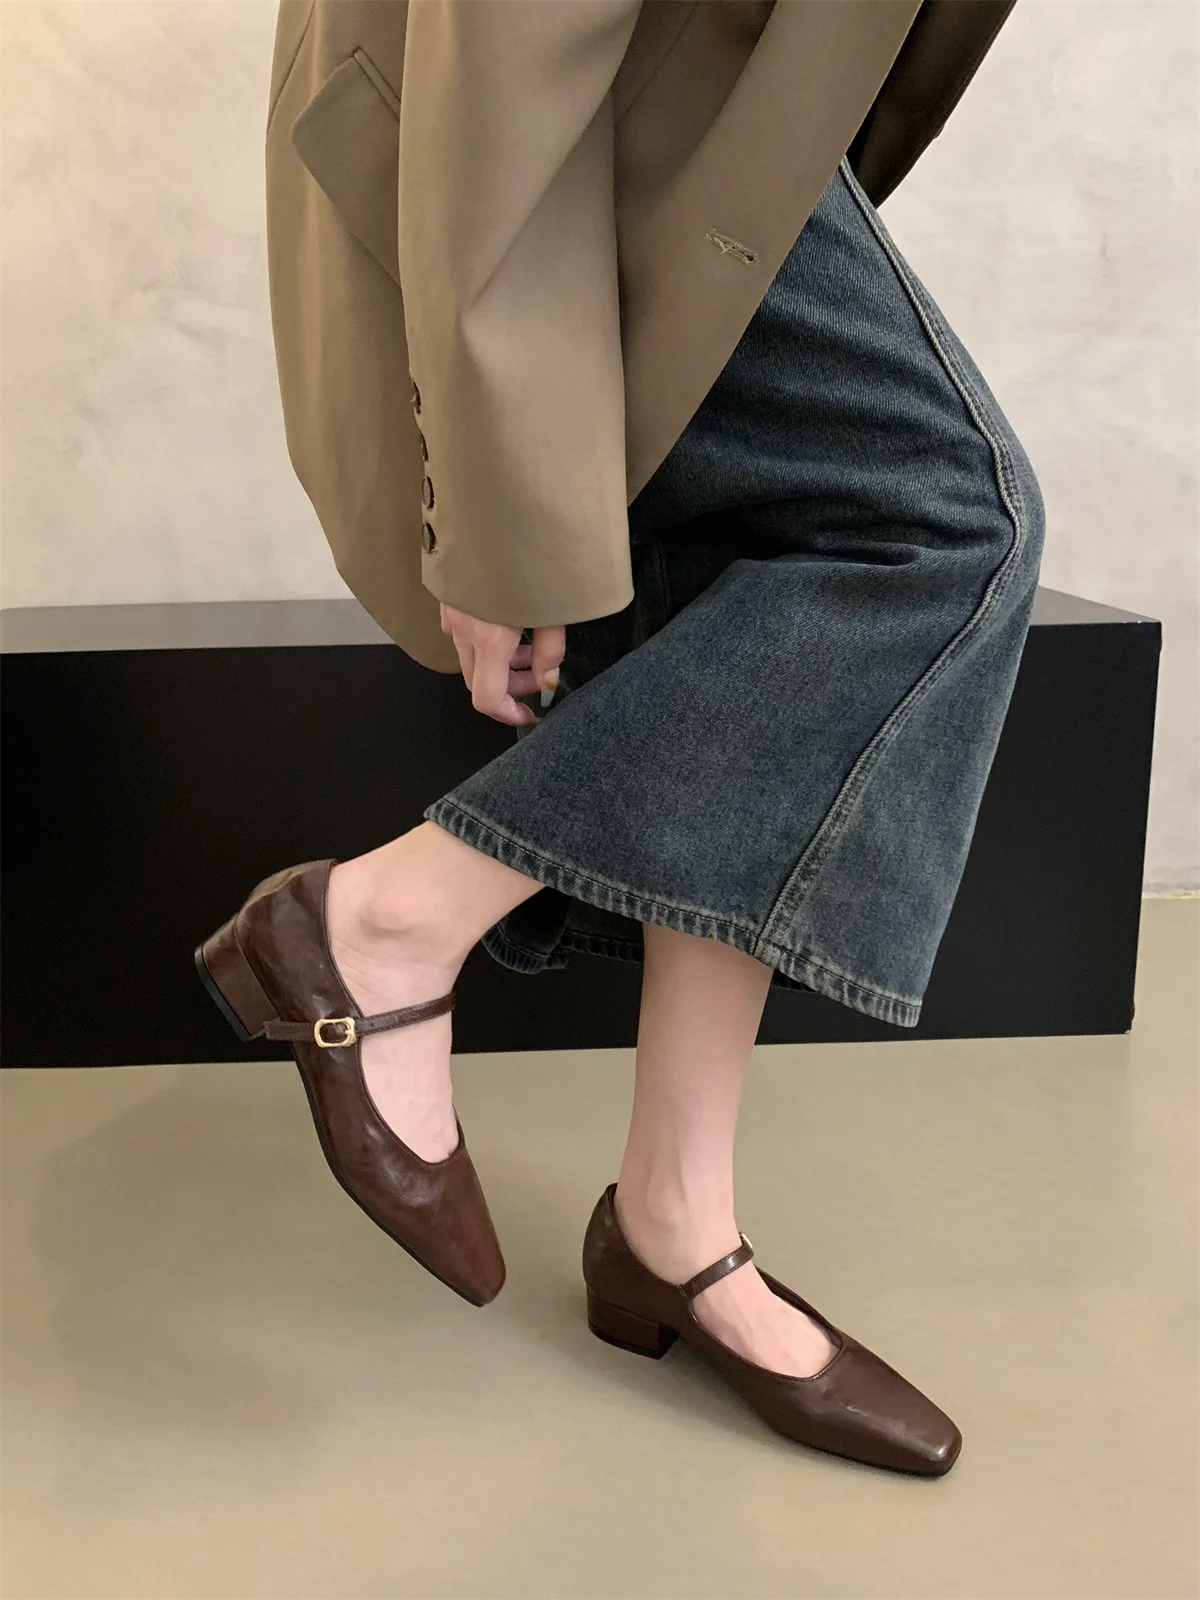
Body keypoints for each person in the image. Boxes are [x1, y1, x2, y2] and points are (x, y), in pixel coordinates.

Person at [200, 0, 1040, 1476]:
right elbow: (503, 41)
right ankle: (388, 921)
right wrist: (497, 509)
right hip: (548, 113)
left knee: (769, 546)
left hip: (671, 89)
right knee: (942, 525)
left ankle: (674, 1221)